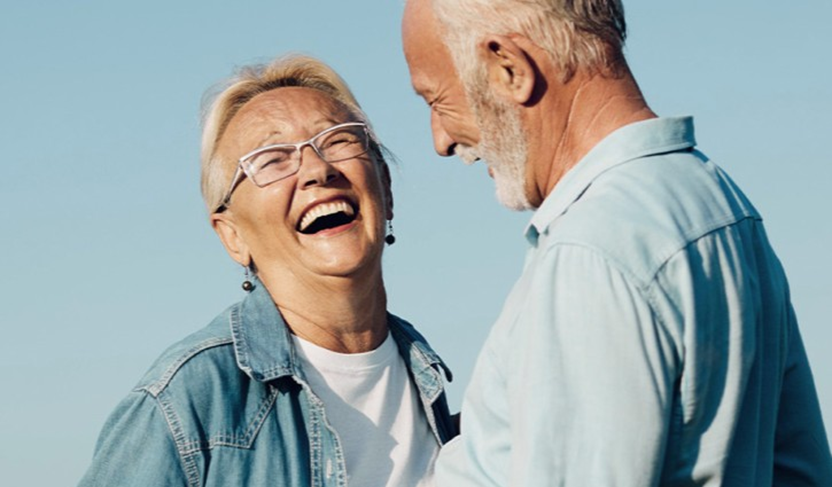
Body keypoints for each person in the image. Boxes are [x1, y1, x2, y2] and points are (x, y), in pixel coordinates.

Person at [402, 0, 832, 485]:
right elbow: (801, 470)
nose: (439, 140)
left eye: (436, 101)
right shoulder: (719, 203)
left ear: (510, 69)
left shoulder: (593, 252)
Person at [78, 54, 456, 487]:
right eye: (272, 159)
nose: (318, 170)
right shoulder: (187, 402)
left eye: (337, 141)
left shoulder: (425, 375)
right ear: (232, 235)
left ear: (385, 189)